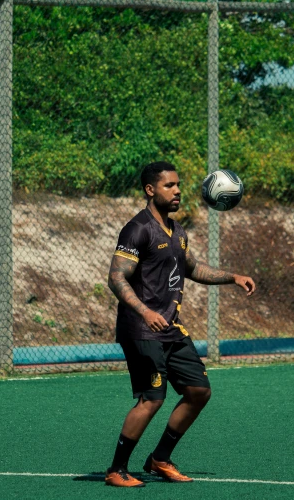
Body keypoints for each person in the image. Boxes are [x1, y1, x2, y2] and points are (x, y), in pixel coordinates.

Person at [104, 161, 256, 488]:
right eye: (169, 186)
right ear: (150, 190)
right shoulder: (138, 229)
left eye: (178, 185)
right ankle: (116, 469)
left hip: (171, 329)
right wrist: (145, 312)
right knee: (152, 398)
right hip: (142, 330)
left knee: (199, 391)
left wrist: (233, 277)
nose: (177, 192)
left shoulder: (178, 232)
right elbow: (116, 277)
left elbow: (194, 269)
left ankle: (160, 458)